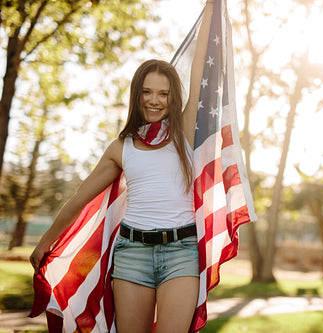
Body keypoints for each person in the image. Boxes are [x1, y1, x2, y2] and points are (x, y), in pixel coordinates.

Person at [29, 1, 214, 332]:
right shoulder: (121, 148)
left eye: (163, 94)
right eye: (147, 92)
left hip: (181, 253)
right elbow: (79, 199)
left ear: (173, 98)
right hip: (132, 254)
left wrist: (213, 9)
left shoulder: (185, 131)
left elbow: (199, 69)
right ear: (136, 96)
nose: (155, 100)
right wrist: (45, 241)